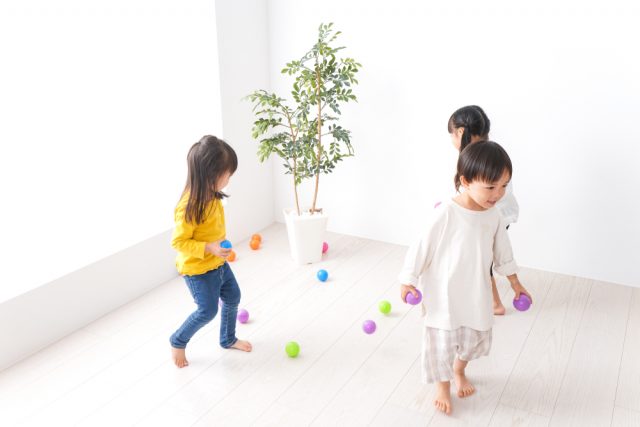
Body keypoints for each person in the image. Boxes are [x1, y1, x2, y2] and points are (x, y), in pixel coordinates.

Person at [399, 141, 531, 414]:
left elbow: (503, 252)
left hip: (476, 292)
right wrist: (408, 279)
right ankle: (443, 385)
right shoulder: (447, 212)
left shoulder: (493, 215)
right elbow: (421, 245)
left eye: (504, 186)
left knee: (473, 341)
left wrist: (515, 283)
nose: (498, 194)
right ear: (466, 181)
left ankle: (459, 370)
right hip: (444, 293)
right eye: (491, 187)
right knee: (442, 344)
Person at [169, 135, 252, 368]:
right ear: (210, 174)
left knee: (233, 297)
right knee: (207, 311)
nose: (228, 179)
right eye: (226, 175)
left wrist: (219, 246)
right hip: (197, 270)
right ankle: (178, 340)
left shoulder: (213, 196)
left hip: (217, 263)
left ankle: (228, 339)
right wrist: (209, 247)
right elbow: (179, 242)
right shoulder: (188, 207)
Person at [448, 105, 519, 315]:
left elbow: (478, 198)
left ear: (460, 131)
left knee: (481, 258)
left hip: (492, 212)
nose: (451, 139)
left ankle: (495, 303)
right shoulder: (487, 151)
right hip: (500, 211)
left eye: (451, 134)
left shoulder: (475, 157)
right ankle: (484, 292)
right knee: (484, 255)